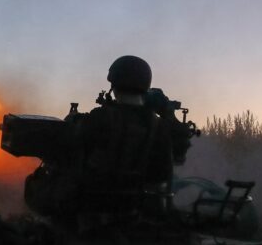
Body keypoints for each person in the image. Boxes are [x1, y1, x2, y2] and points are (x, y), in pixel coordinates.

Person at [24, 55, 174, 235]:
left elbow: (67, 151)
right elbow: (162, 174)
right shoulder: (157, 127)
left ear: (114, 84)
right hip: (132, 207)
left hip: (89, 204)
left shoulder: (99, 118)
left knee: (36, 184)